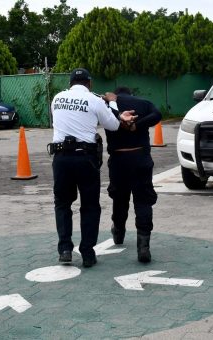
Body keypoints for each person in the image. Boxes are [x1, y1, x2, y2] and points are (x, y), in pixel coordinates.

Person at [50, 68, 136, 268]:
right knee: (89, 206)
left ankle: (64, 249)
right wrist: (112, 102)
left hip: (61, 157)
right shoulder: (95, 100)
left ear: (71, 83)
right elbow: (114, 125)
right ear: (89, 83)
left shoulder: (57, 98)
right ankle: (87, 253)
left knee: (62, 203)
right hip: (85, 159)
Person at [104, 86, 161, 263]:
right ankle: (143, 245)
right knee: (143, 201)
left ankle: (119, 232)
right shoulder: (143, 104)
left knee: (120, 199)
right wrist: (137, 125)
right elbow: (157, 115)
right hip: (140, 157)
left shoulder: (109, 105)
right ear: (130, 94)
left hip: (118, 159)